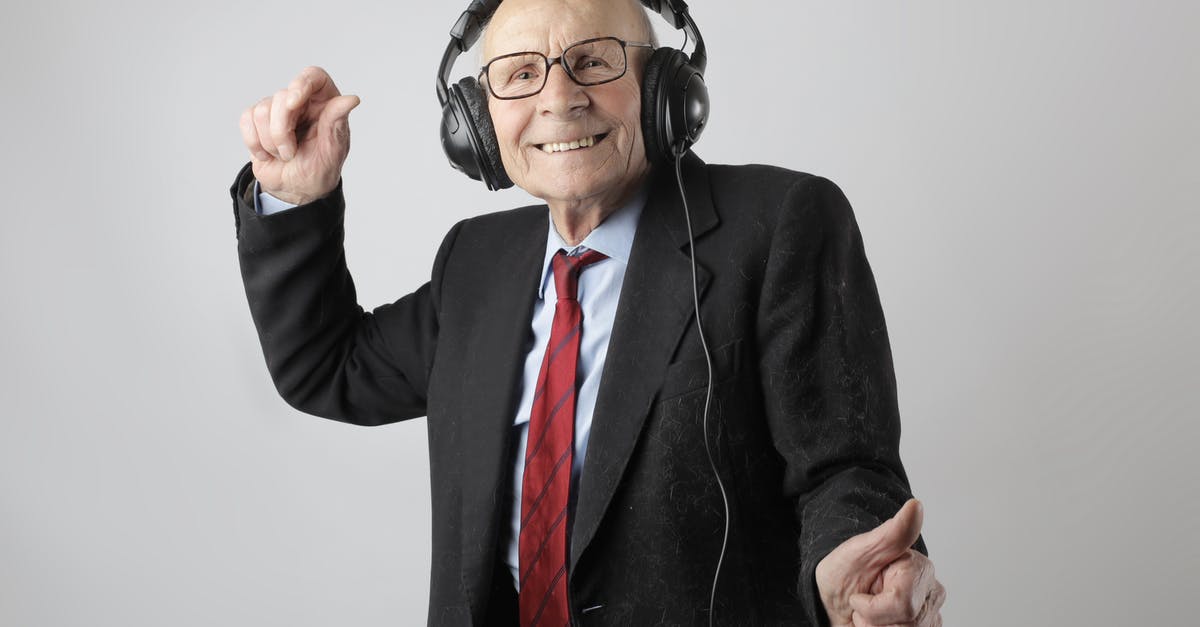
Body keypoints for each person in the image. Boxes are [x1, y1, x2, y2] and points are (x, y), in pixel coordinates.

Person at [231, 0, 946, 625]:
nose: (560, 98)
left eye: (594, 61)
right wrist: (296, 198)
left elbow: (844, 467)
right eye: (519, 73)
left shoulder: (781, 223)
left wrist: (850, 567)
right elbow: (328, 366)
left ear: (665, 89)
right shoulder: (474, 262)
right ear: (477, 119)